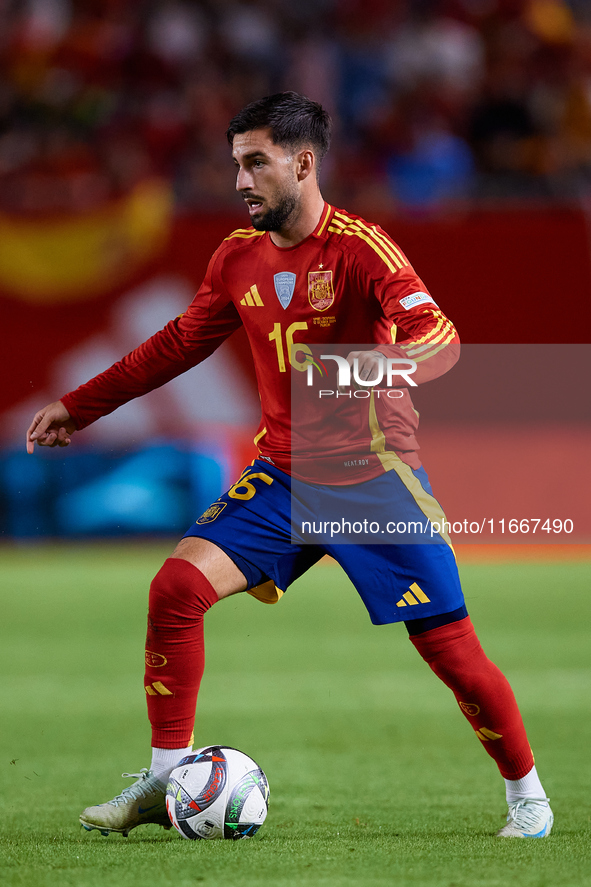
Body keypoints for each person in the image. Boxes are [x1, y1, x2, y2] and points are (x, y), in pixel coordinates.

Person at [26, 92, 553, 839]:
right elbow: (175, 344)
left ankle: (527, 796)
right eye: (235, 163)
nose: (240, 180)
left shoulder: (363, 249)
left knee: (449, 650)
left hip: (373, 480)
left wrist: (370, 367)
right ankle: (163, 775)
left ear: (303, 163)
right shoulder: (235, 257)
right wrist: (80, 405)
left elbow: (441, 339)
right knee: (175, 586)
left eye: (255, 162)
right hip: (283, 475)